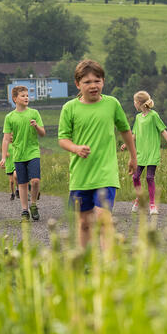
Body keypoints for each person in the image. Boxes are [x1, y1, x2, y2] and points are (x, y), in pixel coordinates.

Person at [58, 60, 137, 248]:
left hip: (105, 172)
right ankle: (84, 261)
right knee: (84, 223)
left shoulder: (112, 104)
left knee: (103, 218)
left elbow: (125, 130)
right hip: (81, 175)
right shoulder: (70, 108)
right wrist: (76, 148)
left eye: (97, 80)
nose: (93, 86)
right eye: (87, 82)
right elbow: (62, 139)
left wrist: (133, 157)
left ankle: (108, 266)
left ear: (103, 81)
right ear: (77, 84)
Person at [126, 90, 167, 215]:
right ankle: (139, 198)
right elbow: (134, 134)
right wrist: (126, 144)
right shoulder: (138, 118)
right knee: (135, 176)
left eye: (134, 102)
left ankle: (152, 205)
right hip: (141, 153)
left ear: (140, 103)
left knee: (149, 177)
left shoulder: (154, 115)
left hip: (152, 152)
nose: (134, 104)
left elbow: (163, 131)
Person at [2, 85, 45, 221]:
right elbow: (6, 138)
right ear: (15, 99)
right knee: (22, 183)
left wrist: (36, 126)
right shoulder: (10, 117)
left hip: (33, 152)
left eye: (27, 95)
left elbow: (43, 133)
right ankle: (25, 210)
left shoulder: (34, 113)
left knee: (36, 180)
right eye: (23, 95)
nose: (26, 97)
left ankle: (33, 204)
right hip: (18, 154)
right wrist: (3, 157)